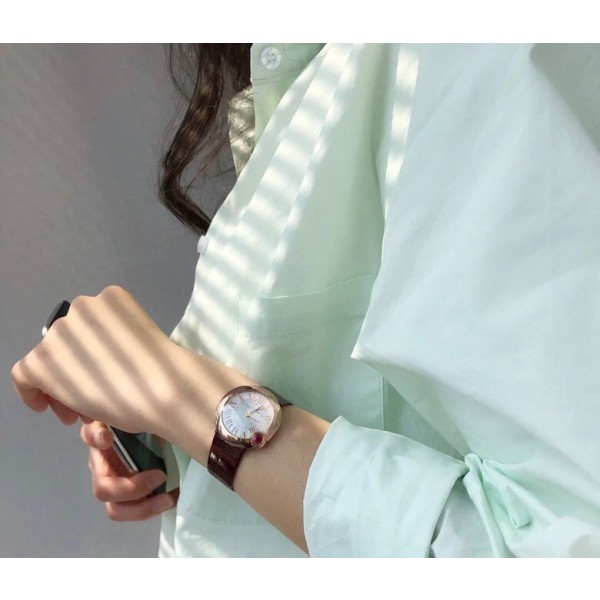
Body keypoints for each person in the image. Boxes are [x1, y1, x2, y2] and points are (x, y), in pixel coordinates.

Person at [11, 43, 600, 557]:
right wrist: (170, 441)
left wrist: (177, 394)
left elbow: (559, 547)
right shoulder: (304, 78)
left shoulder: (458, 54)